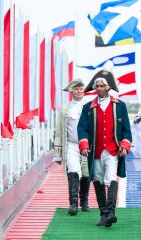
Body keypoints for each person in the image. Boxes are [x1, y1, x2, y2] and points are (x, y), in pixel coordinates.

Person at [78, 70, 132, 227]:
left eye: (102, 86)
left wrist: (124, 146)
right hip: (95, 151)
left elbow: (126, 131)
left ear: (109, 87)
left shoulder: (120, 106)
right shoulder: (88, 107)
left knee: (111, 178)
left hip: (112, 150)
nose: (99, 88)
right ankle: (104, 214)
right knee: (98, 180)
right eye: (97, 86)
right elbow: (82, 129)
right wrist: (84, 145)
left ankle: (110, 212)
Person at [53, 79, 90, 215]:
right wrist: (57, 153)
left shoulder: (90, 106)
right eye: (76, 89)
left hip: (87, 145)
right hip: (71, 145)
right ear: (71, 91)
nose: (79, 91)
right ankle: (73, 203)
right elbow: (59, 130)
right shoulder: (64, 109)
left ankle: (84, 201)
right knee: (73, 172)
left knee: (86, 173)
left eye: (81, 89)